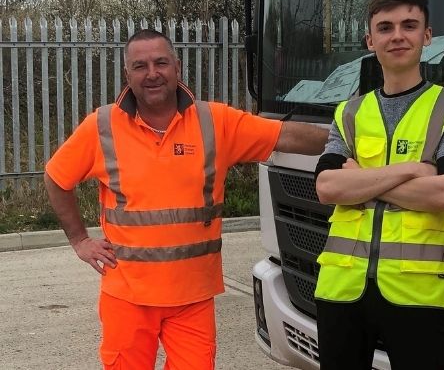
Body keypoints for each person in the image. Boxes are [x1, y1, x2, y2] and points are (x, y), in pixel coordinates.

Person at [44, 29, 328, 370]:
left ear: (177, 67)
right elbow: (57, 177)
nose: (152, 73)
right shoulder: (102, 126)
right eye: (140, 65)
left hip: (192, 297)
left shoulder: (214, 121)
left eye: (161, 62)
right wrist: (79, 240)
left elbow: (287, 136)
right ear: (127, 74)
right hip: (128, 296)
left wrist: (357, 137)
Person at [313, 0, 444, 370]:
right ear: (370, 40)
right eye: (385, 27)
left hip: (419, 288)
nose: (398, 35)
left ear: (427, 36)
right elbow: (326, 187)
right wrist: (412, 169)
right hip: (341, 285)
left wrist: (361, 179)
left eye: (409, 25)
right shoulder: (349, 112)